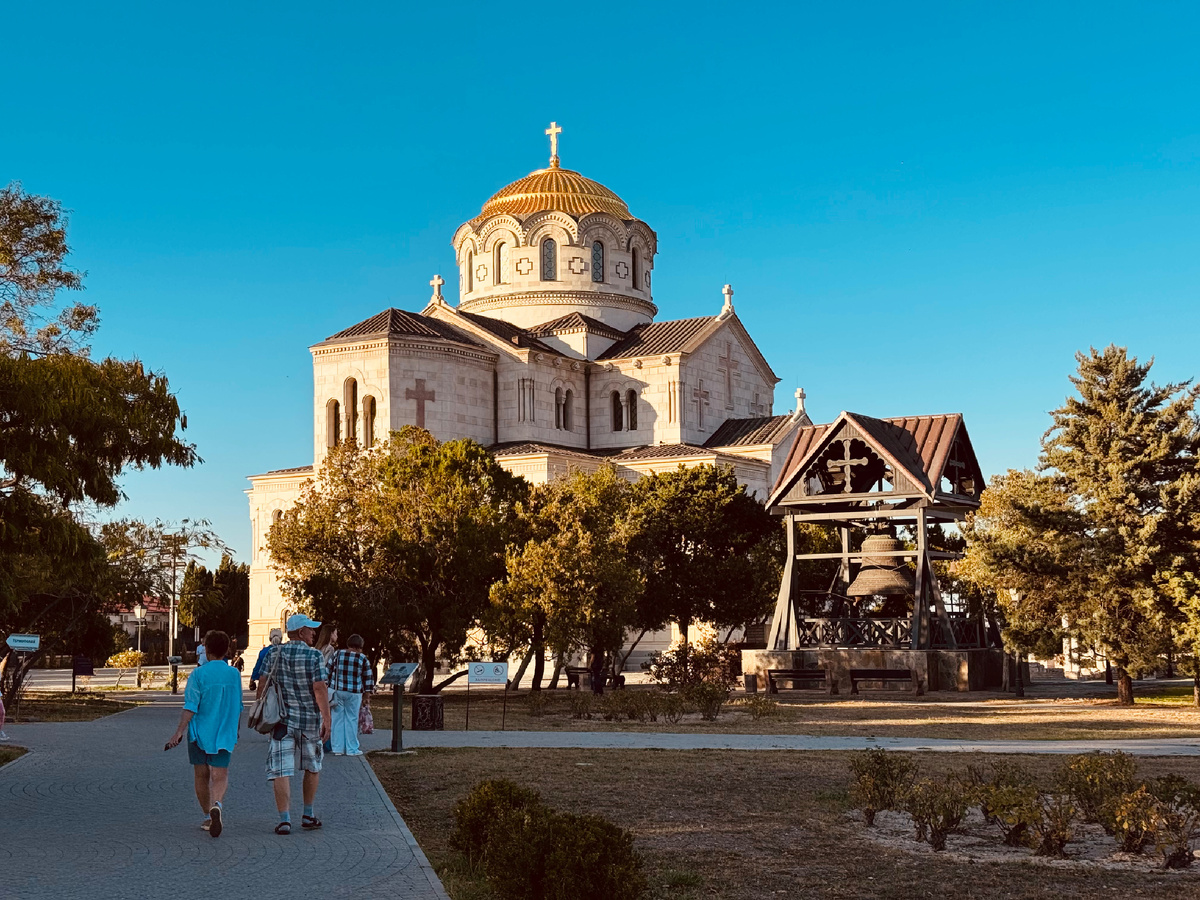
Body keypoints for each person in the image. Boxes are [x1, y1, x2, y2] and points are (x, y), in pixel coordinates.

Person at [165, 630, 243, 838]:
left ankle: (208, 815)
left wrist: (178, 732)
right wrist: (235, 729)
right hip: (224, 731)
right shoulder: (234, 674)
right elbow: (238, 704)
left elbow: (191, 706)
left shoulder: (198, 674)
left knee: (201, 775)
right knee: (220, 775)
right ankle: (217, 804)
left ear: (206, 650)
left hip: (199, 733)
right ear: (226, 650)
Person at [258, 613, 331, 835]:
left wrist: (262, 711)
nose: (314, 633)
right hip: (309, 721)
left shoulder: (273, 653)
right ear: (301, 632)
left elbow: (262, 683)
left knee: (281, 769)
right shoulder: (314, 655)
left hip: (281, 721)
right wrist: (327, 719)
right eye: (310, 629)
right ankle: (308, 814)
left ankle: (284, 820)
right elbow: (319, 688)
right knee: (312, 766)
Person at [328, 634, 374, 756]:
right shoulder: (362, 658)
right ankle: (351, 748)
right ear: (360, 646)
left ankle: (337, 748)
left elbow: (327, 670)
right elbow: (368, 677)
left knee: (337, 719)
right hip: (354, 692)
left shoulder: (337, 654)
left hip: (337, 691)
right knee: (351, 719)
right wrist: (367, 695)